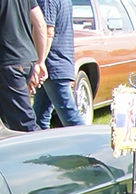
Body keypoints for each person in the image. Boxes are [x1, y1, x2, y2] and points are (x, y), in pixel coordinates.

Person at [32, 0, 82, 128]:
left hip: (52, 65)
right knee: (39, 117)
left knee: (70, 118)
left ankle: (91, 144)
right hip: (59, 63)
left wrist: (40, 61)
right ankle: (42, 147)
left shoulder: (46, 1)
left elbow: (48, 31)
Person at [0, 0, 46, 130]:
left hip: (9, 64)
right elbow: (40, 24)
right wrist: (40, 61)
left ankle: (44, 149)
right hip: (25, 60)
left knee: (25, 125)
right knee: (11, 126)